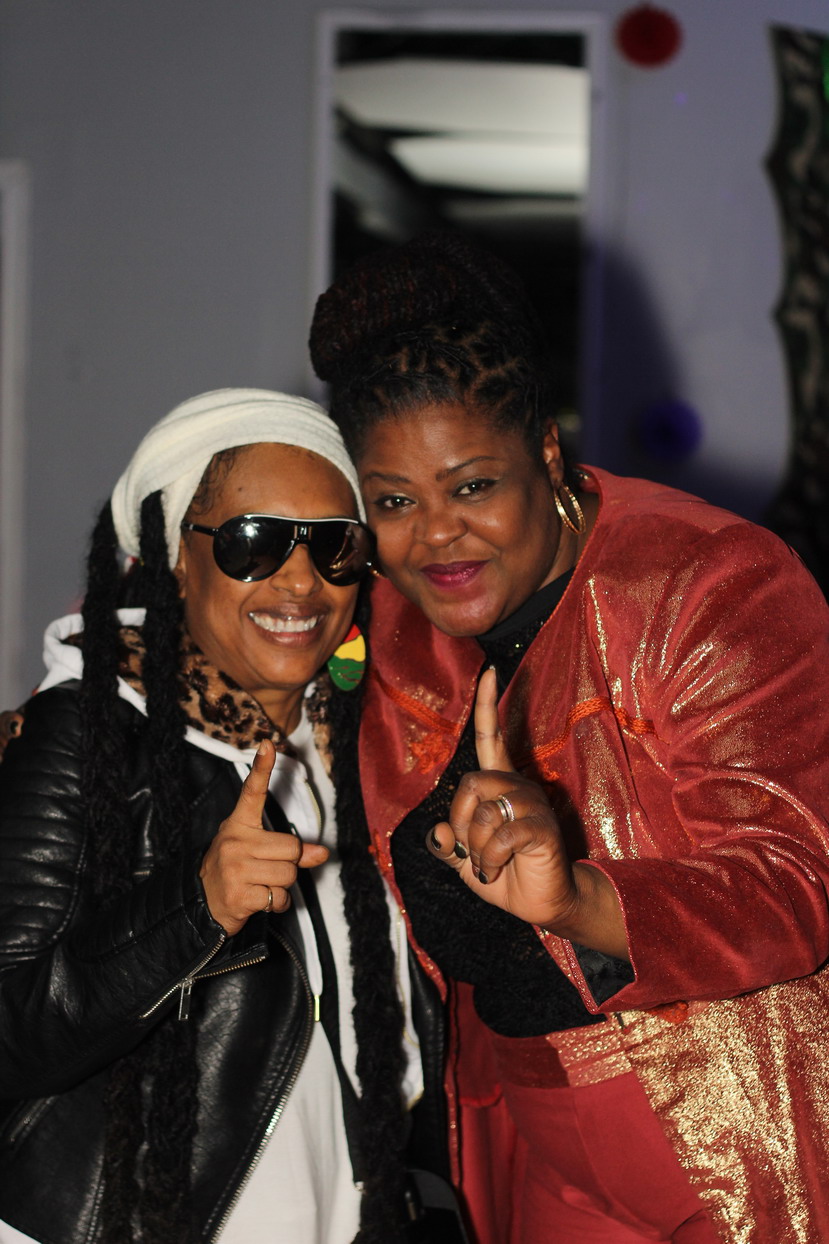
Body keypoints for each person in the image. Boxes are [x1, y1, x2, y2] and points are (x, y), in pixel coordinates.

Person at [309, 232, 829, 1244]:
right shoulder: (389, 628)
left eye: (472, 486)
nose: (436, 535)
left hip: (735, 1139)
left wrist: (577, 901)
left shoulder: (708, 581)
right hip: (536, 1151)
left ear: (546, 453)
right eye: (394, 502)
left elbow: (794, 882)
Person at [0, 388, 428, 1244]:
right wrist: (194, 909)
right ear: (175, 562)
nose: (300, 580)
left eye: (334, 545)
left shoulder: (366, 746)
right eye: (253, 542)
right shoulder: (90, 730)